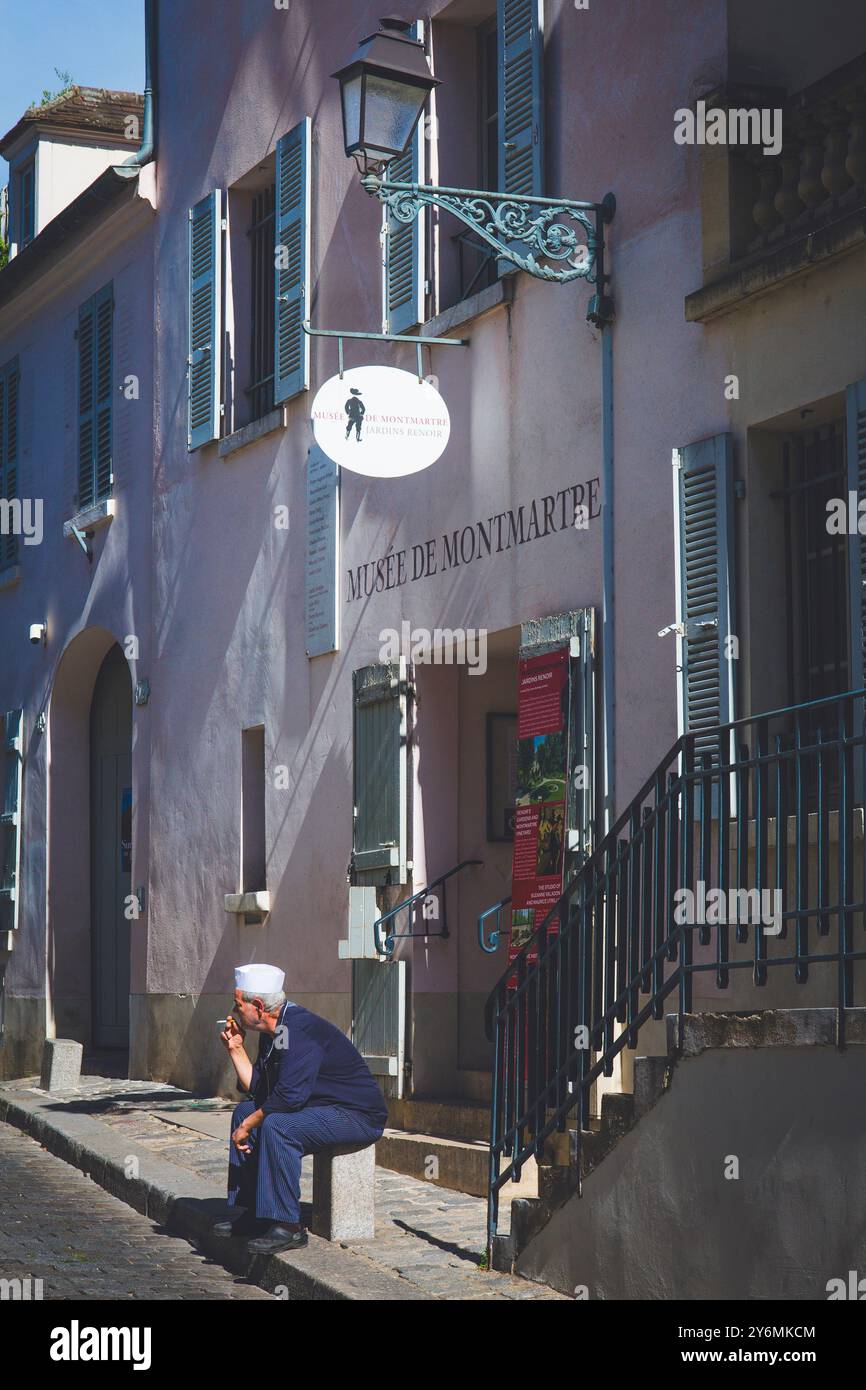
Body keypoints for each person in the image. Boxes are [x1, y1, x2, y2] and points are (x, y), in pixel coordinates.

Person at [213, 963, 388, 1254]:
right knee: (245, 1112)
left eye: (237, 1004)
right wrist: (236, 1049)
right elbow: (260, 1088)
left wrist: (248, 1127)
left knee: (277, 1125)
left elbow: (289, 1098)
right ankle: (258, 1215)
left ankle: (289, 1226)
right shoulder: (272, 1032)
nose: (234, 1011)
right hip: (320, 1107)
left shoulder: (297, 1028)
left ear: (257, 1006)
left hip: (357, 1115)